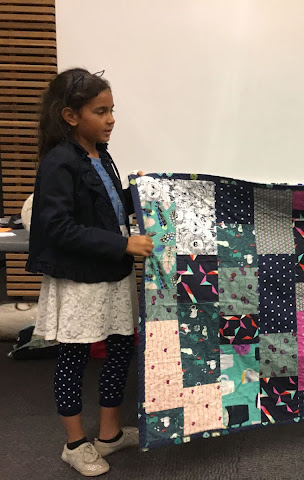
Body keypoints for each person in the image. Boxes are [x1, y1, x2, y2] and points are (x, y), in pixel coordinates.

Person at [26, 68, 154, 476]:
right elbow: (58, 227)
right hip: (80, 279)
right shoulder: (58, 162)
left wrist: (143, 194)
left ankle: (110, 435)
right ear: (70, 116)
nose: (111, 119)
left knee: (121, 349)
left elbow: (107, 205)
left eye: (112, 110)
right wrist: (123, 244)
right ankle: (75, 443)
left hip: (112, 275)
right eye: (101, 112)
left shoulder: (101, 154)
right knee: (74, 357)